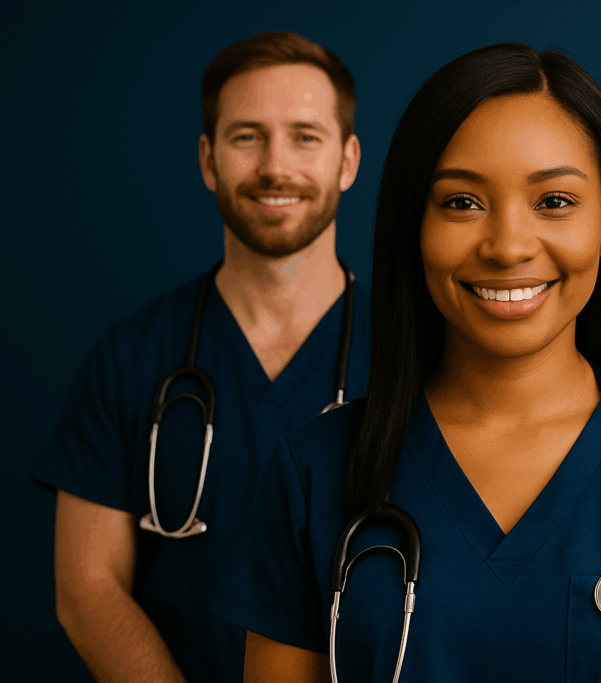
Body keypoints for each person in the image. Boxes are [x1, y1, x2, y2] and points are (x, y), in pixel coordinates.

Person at [212, 44, 601, 683]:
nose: (508, 247)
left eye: (554, 201)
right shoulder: (313, 471)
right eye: (462, 203)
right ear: (413, 226)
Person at [32, 31, 371, 683]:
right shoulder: (131, 354)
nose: (276, 166)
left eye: (305, 136)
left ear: (347, 161)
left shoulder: (417, 355)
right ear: (208, 160)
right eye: (247, 136)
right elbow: (87, 591)